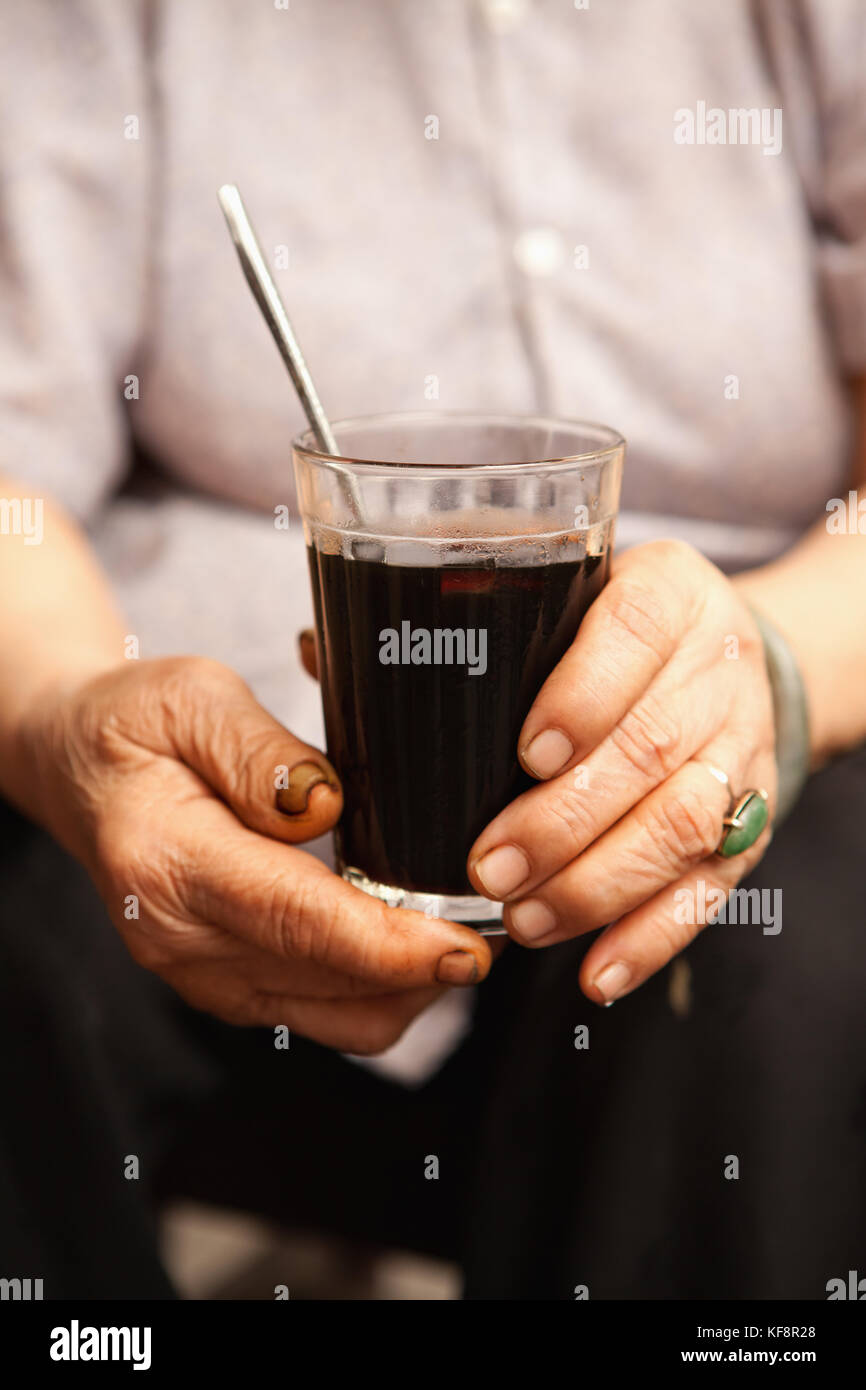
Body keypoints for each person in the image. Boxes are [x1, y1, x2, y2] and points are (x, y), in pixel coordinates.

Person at [1, 0, 864, 1299]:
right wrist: (60, 712)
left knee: (756, 966)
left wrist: (774, 669)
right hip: (209, 727)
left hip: (742, 684)